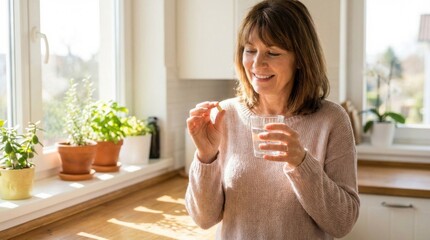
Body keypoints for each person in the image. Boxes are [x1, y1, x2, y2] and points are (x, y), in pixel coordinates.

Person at [185, 0, 360, 239]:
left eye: (273, 52)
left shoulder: (331, 120)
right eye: (250, 50)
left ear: (301, 58)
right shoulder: (225, 116)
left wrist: (301, 162)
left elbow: (343, 222)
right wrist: (206, 157)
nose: (257, 64)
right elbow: (203, 219)